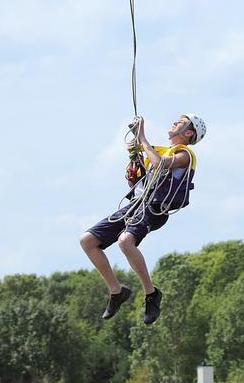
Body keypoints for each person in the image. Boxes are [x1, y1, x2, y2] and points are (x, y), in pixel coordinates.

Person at [79, 113, 206, 325]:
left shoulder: (185, 154)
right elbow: (140, 172)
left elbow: (160, 164)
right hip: (136, 205)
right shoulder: (156, 149)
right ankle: (116, 291)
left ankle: (151, 294)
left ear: (189, 132)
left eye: (180, 123)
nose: (174, 122)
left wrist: (143, 138)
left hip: (154, 208)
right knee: (87, 241)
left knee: (125, 241)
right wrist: (135, 151)